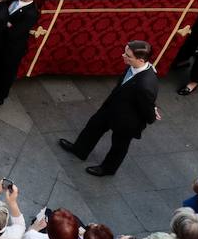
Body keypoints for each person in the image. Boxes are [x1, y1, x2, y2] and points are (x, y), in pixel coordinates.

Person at [58, 40, 159, 176]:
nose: (123, 56)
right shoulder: (134, 66)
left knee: (119, 146)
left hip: (127, 122)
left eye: (128, 55)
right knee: (93, 127)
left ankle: (108, 169)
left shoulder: (145, 84)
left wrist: (152, 113)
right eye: (125, 52)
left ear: (140, 60)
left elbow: (147, 108)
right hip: (111, 108)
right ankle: (79, 150)